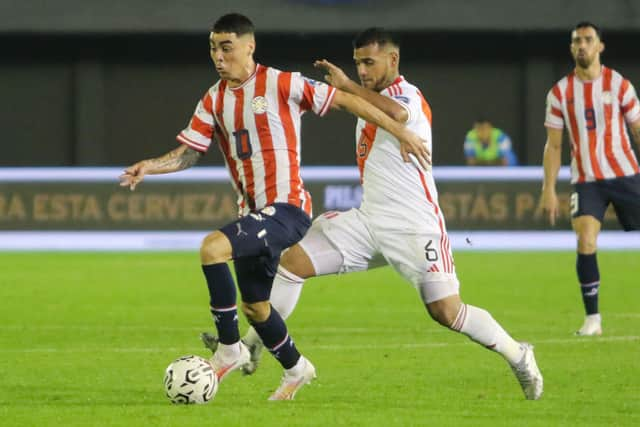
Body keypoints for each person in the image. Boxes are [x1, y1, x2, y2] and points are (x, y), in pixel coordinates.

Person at [203, 27, 543, 400]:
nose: (362, 70)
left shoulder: (405, 95)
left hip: (415, 226)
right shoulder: (369, 105)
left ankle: (518, 353)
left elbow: (396, 112)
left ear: (392, 60)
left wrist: (347, 85)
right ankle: (253, 344)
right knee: (291, 261)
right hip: (367, 222)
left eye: (369, 62)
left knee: (446, 311)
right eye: (357, 64)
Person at [119, 14, 430, 401]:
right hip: (252, 214)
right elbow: (188, 154)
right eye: (214, 48)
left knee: (212, 248)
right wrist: (151, 166)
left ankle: (229, 350)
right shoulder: (213, 99)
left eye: (227, 47)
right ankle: (298, 369)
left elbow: (347, 102)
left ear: (250, 46)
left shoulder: (283, 83)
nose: (219, 56)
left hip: (288, 208)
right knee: (256, 307)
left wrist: (401, 130)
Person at [541, 21, 640, 336]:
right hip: (586, 180)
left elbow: (638, 130)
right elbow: (554, 145)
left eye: (587, 40)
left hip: (626, 173)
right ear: (571, 48)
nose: (581, 45)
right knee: (585, 240)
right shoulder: (559, 93)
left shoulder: (619, 85)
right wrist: (548, 188)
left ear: (600, 46)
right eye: (576, 41)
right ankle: (593, 319)